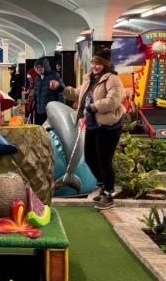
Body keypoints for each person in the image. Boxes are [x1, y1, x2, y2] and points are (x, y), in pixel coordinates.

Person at [51, 48, 126, 209]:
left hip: (109, 125)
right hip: (92, 124)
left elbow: (113, 100)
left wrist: (92, 107)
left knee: (104, 160)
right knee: (91, 158)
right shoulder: (89, 78)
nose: (94, 66)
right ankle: (102, 187)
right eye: (93, 63)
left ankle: (109, 194)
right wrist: (61, 88)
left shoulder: (112, 80)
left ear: (105, 65)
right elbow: (77, 94)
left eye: (98, 63)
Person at [31, 57, 63, 125]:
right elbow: (35, 90)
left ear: (45, 66)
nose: (39, 69)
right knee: (42, 129)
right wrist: (33, 100)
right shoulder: (37, 79)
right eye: (38, 67)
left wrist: (61, 106)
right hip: (40, 110)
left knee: (50, 130)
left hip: (51, 110)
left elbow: (61, 91)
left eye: (41, 67)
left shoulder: (54, 75)